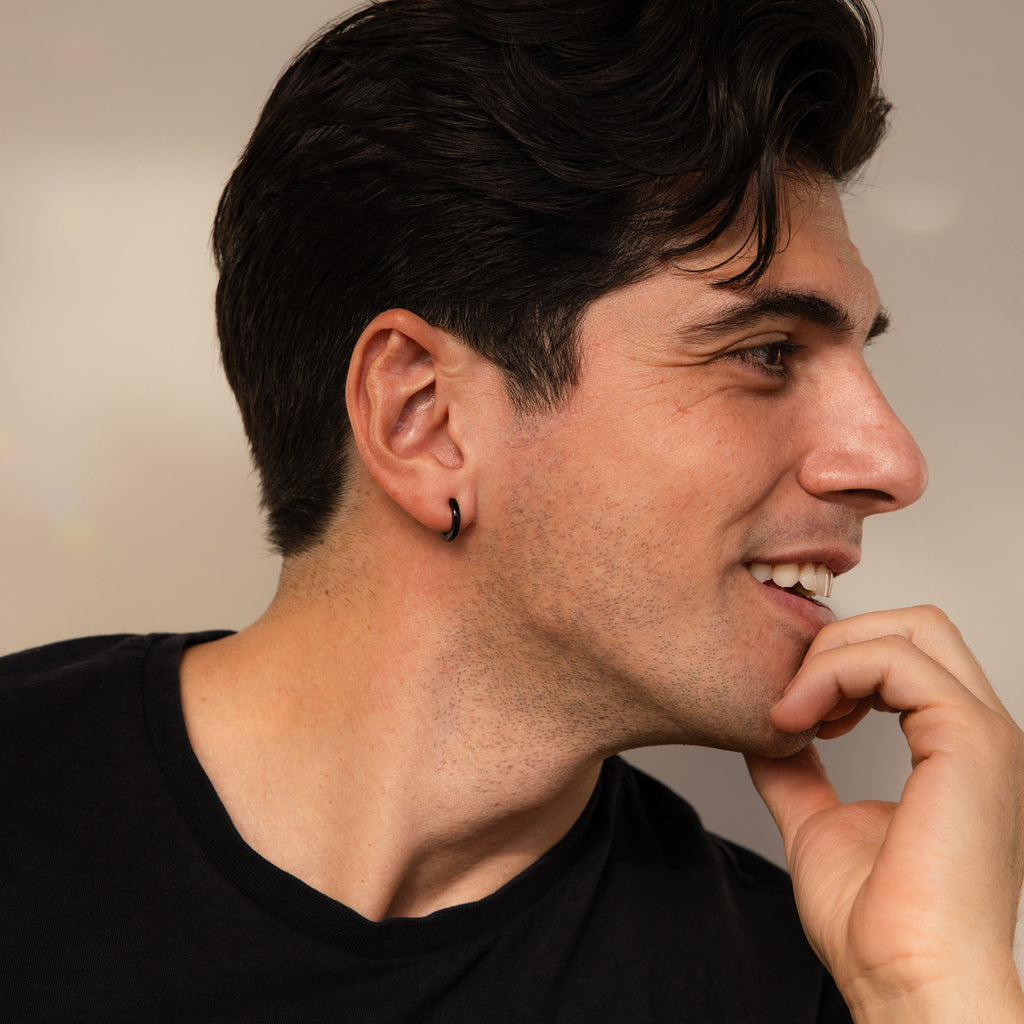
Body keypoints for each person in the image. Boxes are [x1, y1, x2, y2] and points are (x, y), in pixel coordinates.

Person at [2, 0, 1022, 1020]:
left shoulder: (824, 983)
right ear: (425, 419)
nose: (891, 462)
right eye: (766, 354)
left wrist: (935, 993)